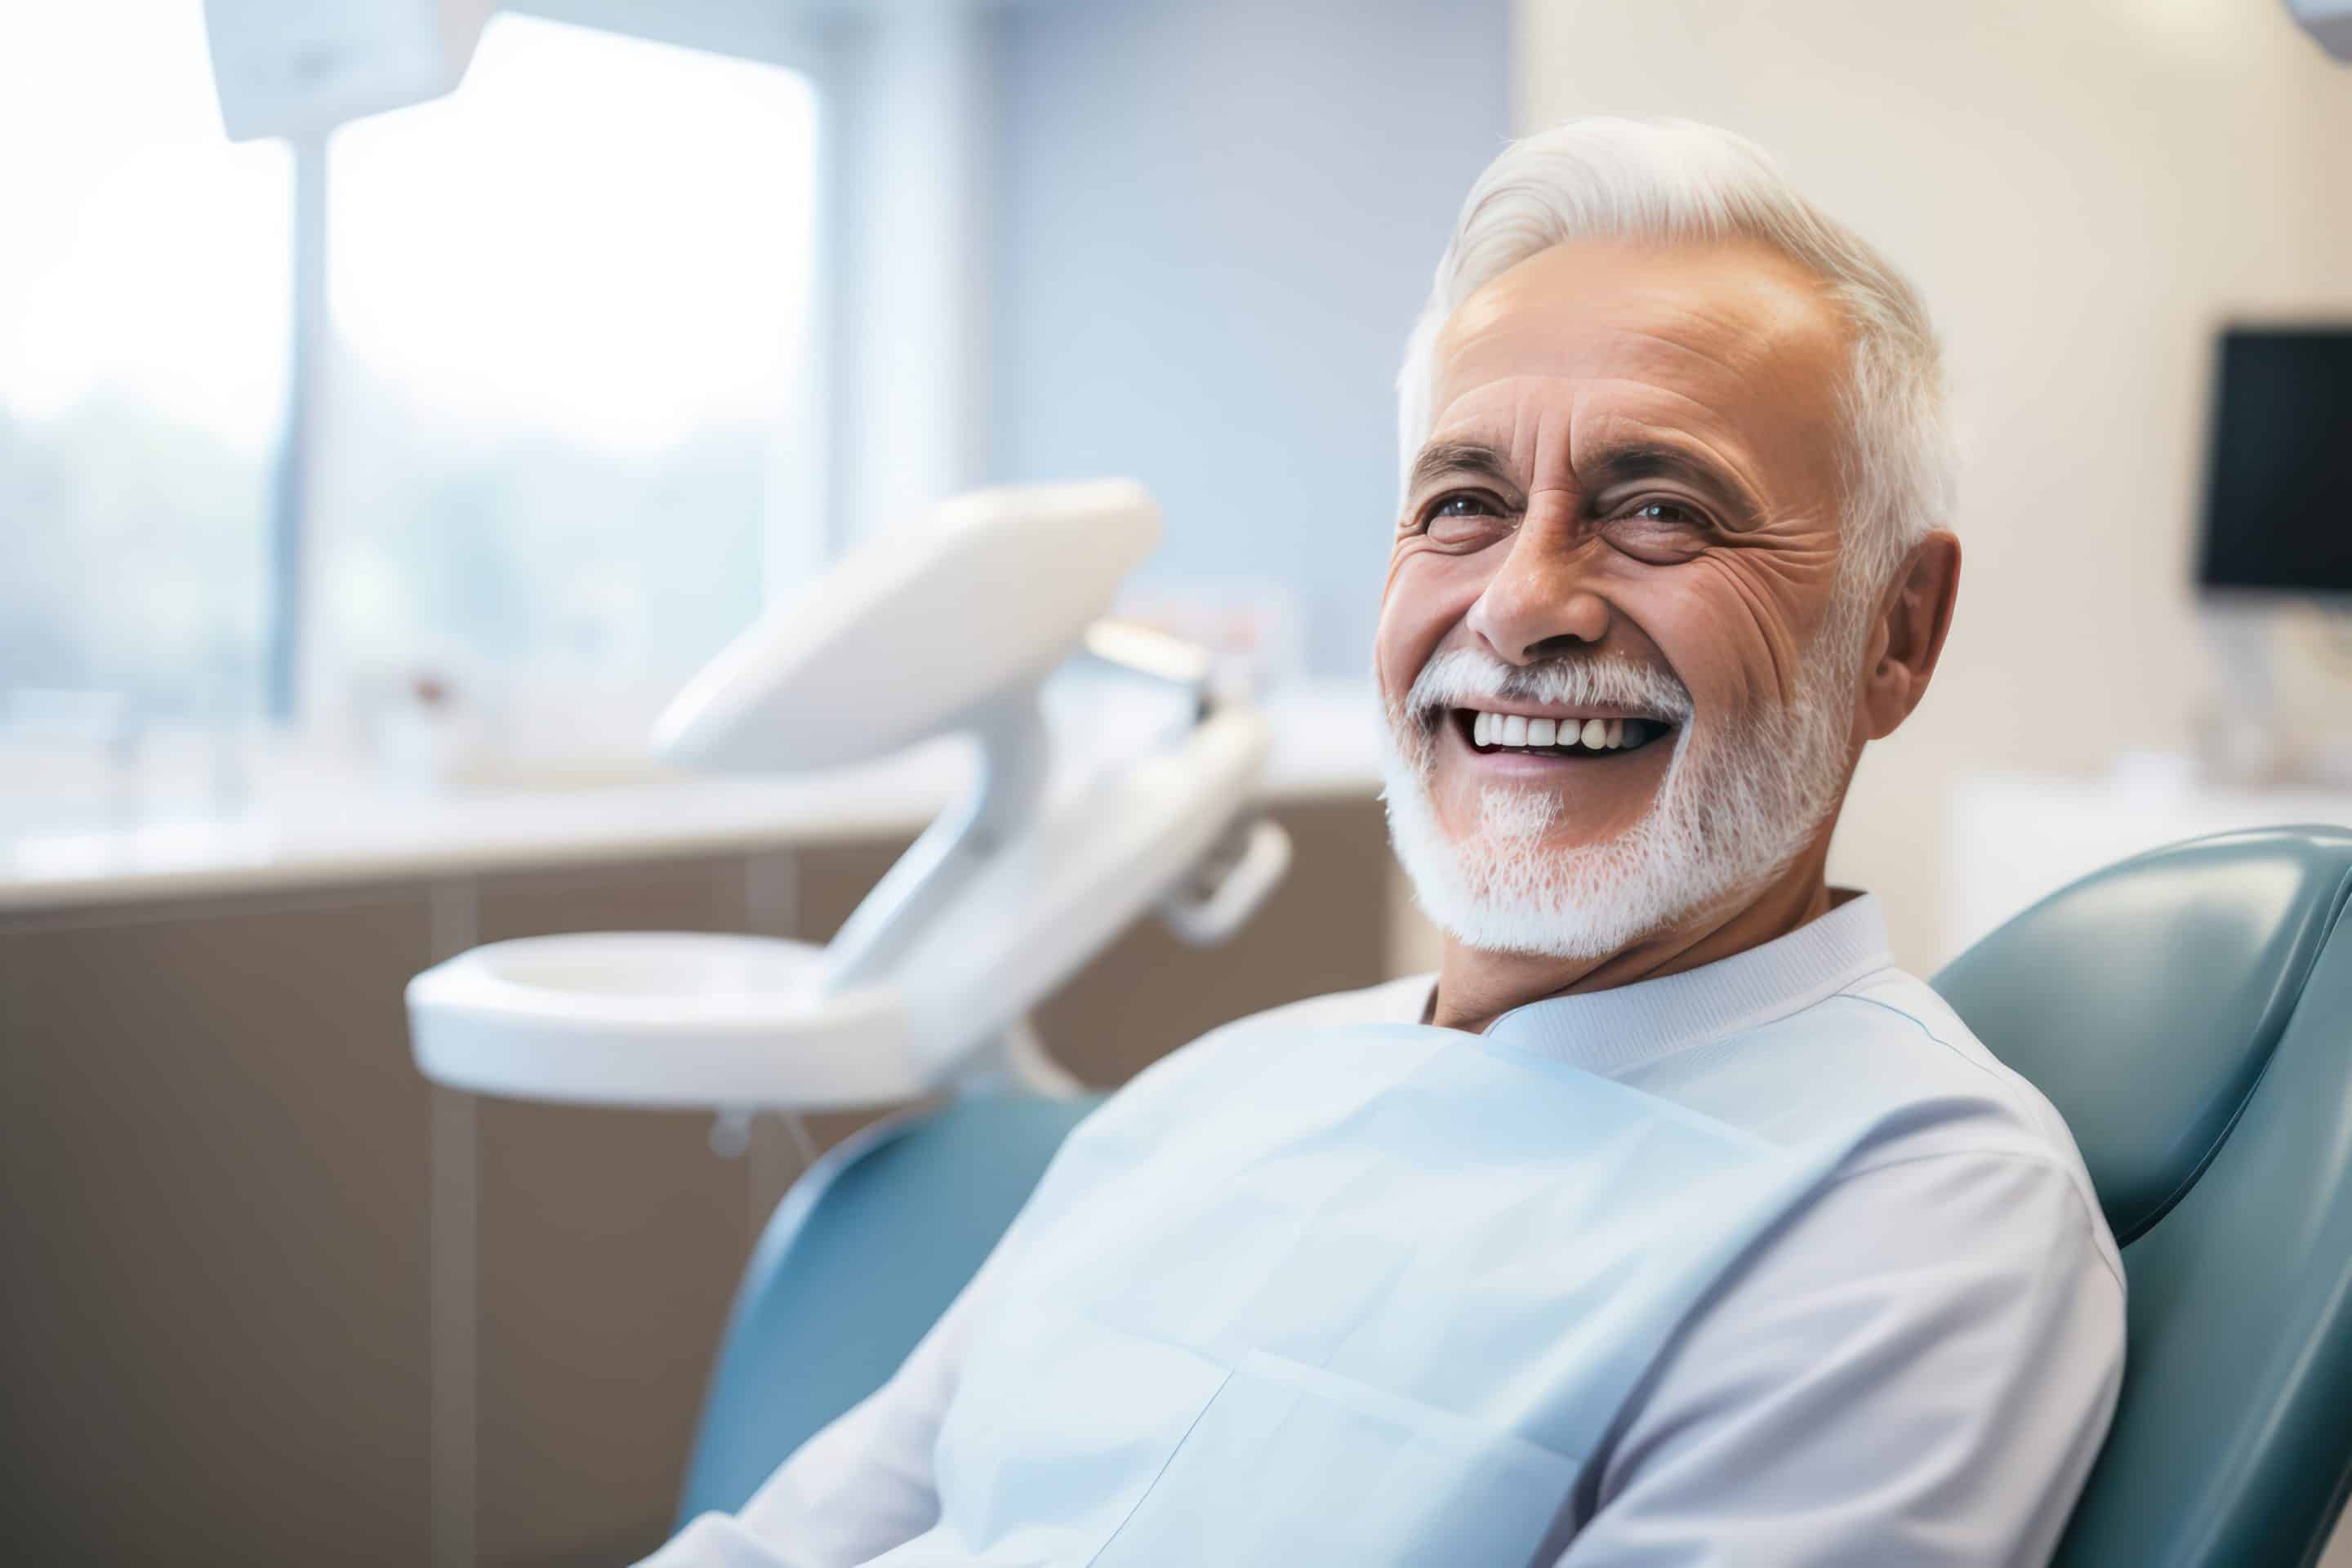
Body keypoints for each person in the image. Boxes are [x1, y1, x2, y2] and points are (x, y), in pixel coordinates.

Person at [645, 118, 2123, 1567]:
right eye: (1464, 504)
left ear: (1898, 633)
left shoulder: (1911, 1215)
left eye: (1663, 512)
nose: (1521, 603)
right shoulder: (1208, 1098)